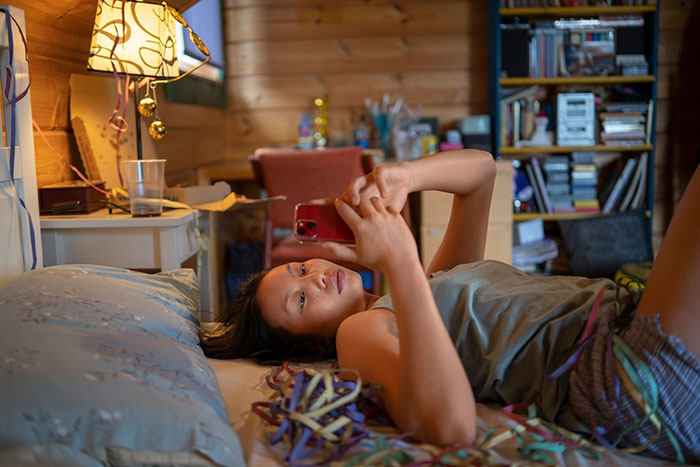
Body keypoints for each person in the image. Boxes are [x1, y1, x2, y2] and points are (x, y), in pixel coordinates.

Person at [201, 149, 700, 462]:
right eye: (303, 298)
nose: (313, 275)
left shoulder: (423, 288)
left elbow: (482, 173)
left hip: (629, 336)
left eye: (300, 269)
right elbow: (452, 426)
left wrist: (404, 176)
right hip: (626, 379)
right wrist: (399, 261)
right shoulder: (361, 331)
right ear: (312, 342)